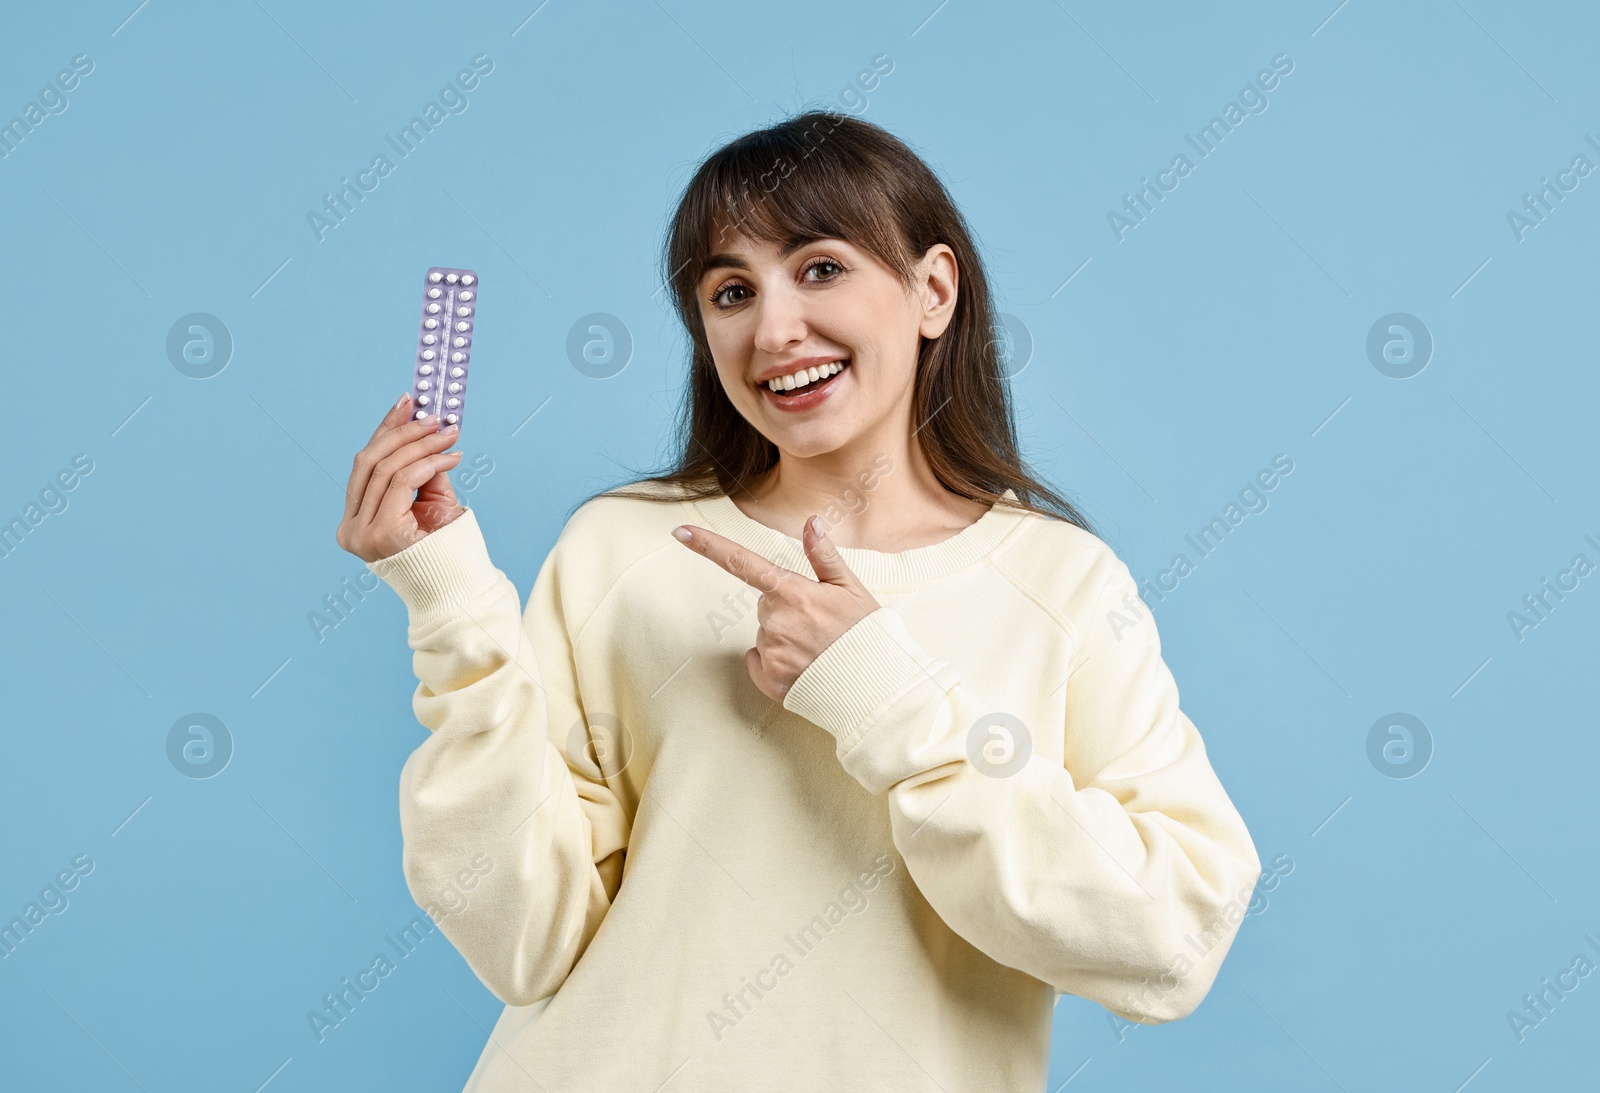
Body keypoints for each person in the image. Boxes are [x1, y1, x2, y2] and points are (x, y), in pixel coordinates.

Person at [336, 110, 1261, 1093]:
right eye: (730, 290)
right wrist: (448, 608)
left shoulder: (1062, 586)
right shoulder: (623, 548)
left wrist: (889, 700)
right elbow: (521, 938)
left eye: (819, 268)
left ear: (931, 289)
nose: (773, 329)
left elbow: (1169, 940)